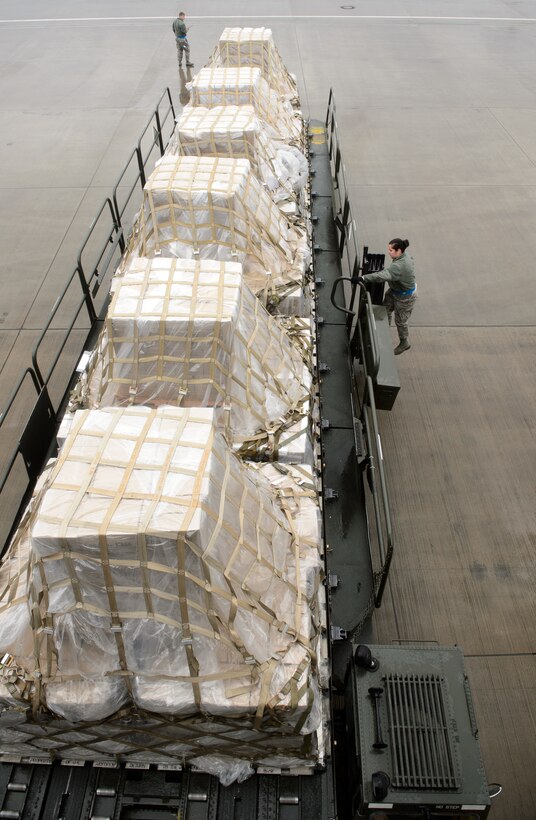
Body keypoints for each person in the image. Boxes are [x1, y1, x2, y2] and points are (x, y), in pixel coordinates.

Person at [361, 238, 417, 355]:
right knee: (384, 310)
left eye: (391, 250)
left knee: (401, 321)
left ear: (399, 251)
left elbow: (382, 276)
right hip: (395, 291)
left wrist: (363, 278)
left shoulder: (399, 266)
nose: (389, 252)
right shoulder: (404, 256)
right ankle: (383, 333)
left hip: (405, 298)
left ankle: (404, 342)